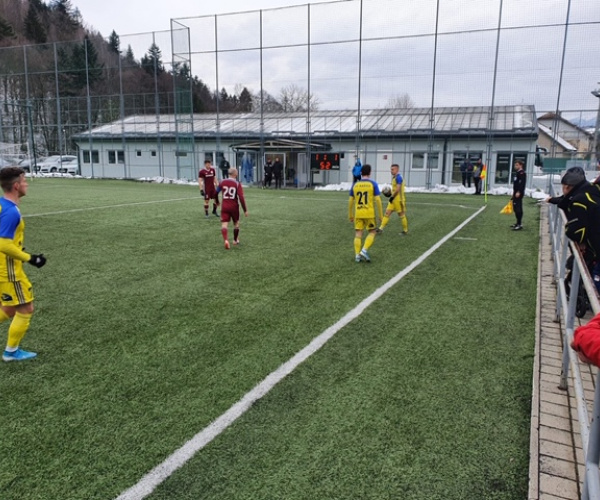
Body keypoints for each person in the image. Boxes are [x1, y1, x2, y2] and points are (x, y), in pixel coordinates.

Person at [0, 167, 46, 362]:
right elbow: (3, 243)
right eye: (24, 181)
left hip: (3, 267)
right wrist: (30, 258)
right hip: (9, 271)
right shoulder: (11, 212)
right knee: (26, 309)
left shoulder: (2, 205)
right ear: (17, 186)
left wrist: (19, 248)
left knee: (8, 308)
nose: (27, 184)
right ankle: (11, 352)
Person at [348, 163, 383, 263]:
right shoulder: (373, 184)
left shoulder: (355, 185)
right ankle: (364, 250)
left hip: (358, 213)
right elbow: (378, 201)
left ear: (361, 173)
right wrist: (381, 215)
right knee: (372, 232)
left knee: (358, 234)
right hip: (369, 214)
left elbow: (351, 201)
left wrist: (350, 215)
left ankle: (357, 255)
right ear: (370, 173)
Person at [216, 167, 248, 249]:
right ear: (235, 174)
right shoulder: (237, 184)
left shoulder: (222, 182)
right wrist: (245, 210)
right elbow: (241, 197)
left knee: (224, 225)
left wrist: (217, 201)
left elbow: (216, 192)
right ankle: (235, 240)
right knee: (236, 224)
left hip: (225, 206)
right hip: (234, 207)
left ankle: (226, 240)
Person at [377, 163, 408, 235]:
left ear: (397, 169)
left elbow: (398, 189)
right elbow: (395, 189)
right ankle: (381, 228)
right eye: (391, 169)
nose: (391, 171)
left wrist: (392, 197)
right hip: (393, 199)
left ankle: (405, 230)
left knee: (401, 215)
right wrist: (390, 194)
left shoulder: (399, 178)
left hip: (399, 200)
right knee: (387, 213)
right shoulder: (395, 177)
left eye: (393, 169)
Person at [511, 159, 526, 230]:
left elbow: (522, 184)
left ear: (520, 165)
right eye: (515, 165)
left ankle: (519, 224)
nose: (515, 166)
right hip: (515, 192)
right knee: (515, 208)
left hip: (518, 193)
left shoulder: (522, 173)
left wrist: (519, 192)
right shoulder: (517, 173)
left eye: (517, 165)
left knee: (518, 208)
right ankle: (517, 222)